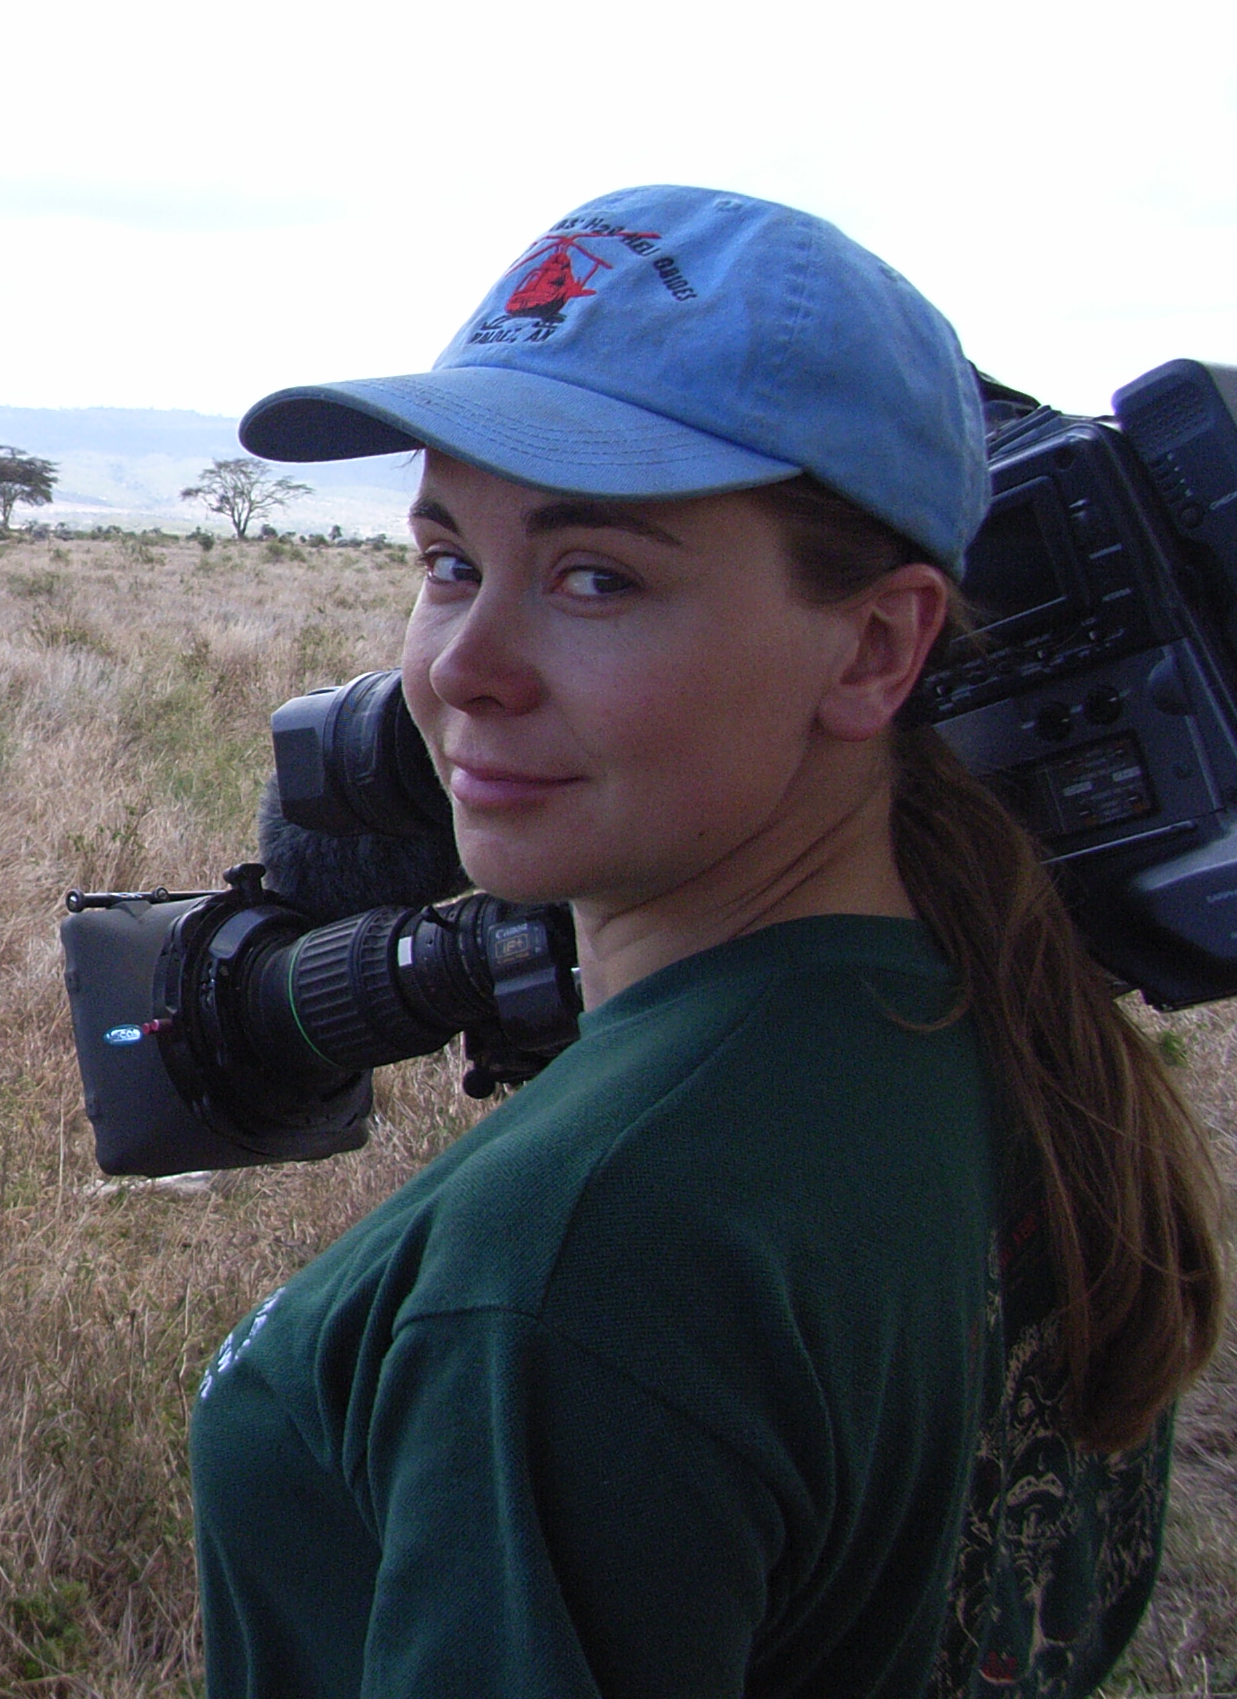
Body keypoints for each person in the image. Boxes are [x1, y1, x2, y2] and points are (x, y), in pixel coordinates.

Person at [191, 187, 1224, 1698]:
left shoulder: (578, 1261)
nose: (462, 669)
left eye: (596, 576)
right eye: (447, 561)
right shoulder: (988, 1035)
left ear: (877, 645)